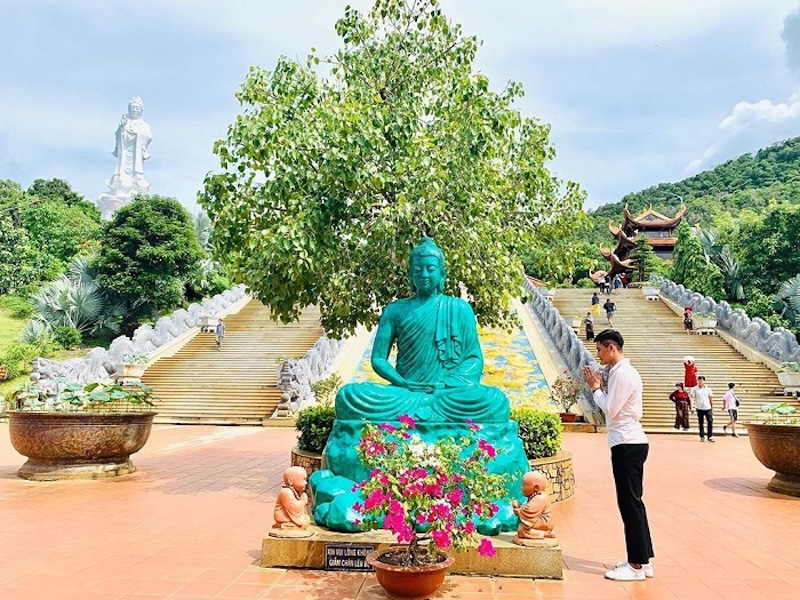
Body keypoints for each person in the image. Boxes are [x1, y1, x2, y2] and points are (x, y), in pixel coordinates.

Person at [335, 237, 510, 423]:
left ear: (442, 274)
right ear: (410, 275)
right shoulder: (394, 310)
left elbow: (473, 360)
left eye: (430, 269)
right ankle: (426, 410)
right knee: (349, 395)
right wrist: (402, 382)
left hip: (446, 393)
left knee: (495, 400)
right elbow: (378, 359)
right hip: (405, 392)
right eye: (418, 270)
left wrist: (444, 385)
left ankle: (421, 411)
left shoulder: (459, 308)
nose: (424, 274)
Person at [583, 330, 654, 581]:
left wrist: (595, 390)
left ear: (611, 347)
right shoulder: (619, 372)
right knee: (634, 502)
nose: (598, 355)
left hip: (627, 443)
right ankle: (643, 560)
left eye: (600, 350)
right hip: (627, 442)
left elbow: (611, 409)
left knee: (630, 504)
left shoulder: (624, 373)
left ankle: (636, 565)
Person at [108, 96, 152, 197]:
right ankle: (119, 181)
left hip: (136, 154)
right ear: (129, 109)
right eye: (133, 108)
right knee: (121, 170)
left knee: (136, 174)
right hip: (124, 153)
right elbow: (118, 135)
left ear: (141, 110)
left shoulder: (144, 125)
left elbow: (148, 136)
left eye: (137, 108)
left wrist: (138, 134)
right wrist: (122, 127)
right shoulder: (124, 123)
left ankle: (135, 184)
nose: (135, 110)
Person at [512, 470, 555, 541]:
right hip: (539, 521)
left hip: (544, 523)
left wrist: (518, 509)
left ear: (536, 488)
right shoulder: (537, 497)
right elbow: (529, 508)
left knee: (521, 530)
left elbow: (528, 511)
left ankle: (544, 534)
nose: (521, 488)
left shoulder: (540, 498)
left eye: (524, 485)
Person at [692, 376, 714, 442]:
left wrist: (712, 408)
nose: (700, 382)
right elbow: (692, 398)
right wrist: (692, 406)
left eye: (701, 381)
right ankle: (702, 436)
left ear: (704, 381)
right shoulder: (694, 389)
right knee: (701, 422)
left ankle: (710, 436)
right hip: (699, 408)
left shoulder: (708, 389)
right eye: (699, 381)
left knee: (710, 421)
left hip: (708, 408)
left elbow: (711, 398)